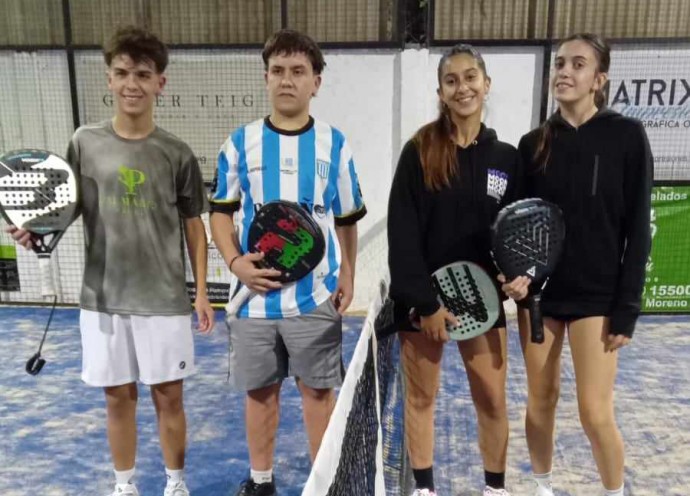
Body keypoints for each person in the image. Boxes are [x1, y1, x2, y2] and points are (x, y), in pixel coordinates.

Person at [8, 25, 214, 496]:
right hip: (102, 300)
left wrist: (200, 292)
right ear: (108, 78)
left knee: (169, 398)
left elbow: (194, 225)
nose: (131, 84)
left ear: (161, 82)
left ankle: (175, 483)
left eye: (143, 74)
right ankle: (124, 486)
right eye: (121, 73)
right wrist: (35, 231)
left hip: (163, 301)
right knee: (117, 398)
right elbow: (63, 207)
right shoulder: (84, 142)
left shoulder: (177, 153)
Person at [208, 29, 366, 496]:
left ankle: (323, 484)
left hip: (313, 298)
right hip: (253, 300)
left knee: (318, 395)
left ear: (316, 82)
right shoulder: (240, 143)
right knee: (260, 394)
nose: (287, 80)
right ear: (266, 77)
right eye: (278, 71)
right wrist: (235, 263)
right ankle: (261, 481)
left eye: (298, 72)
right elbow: (220, 213)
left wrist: (349, 271)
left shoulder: (335, 145)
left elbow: (346, 219)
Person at [510, 33, 653, 496]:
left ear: (600, 79)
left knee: (594, 411)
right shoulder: (533, 144)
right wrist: (515, 276)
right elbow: (516, 224)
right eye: (559, 64)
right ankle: (542, 487)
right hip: (540, 297)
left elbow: (638, 230)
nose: (564, 72)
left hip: (598, 297)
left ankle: (614, 492)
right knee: (540, 402)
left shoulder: (627, 136)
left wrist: (627, 307)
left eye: (577, 64)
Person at [387, 44, 529, 496]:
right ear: (441, 92)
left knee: (491, 399)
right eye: (452, 80)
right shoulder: (420, 151)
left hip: (483, 303)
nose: (462, 87)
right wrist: (425, 303)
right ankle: (425, 489)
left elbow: (513, 232)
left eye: (470, 77)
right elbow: (402, 232)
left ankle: (495, 488)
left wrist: (515, 274)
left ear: (486, 85)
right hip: (423, 305)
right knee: (421, 397)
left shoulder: (507, 158)